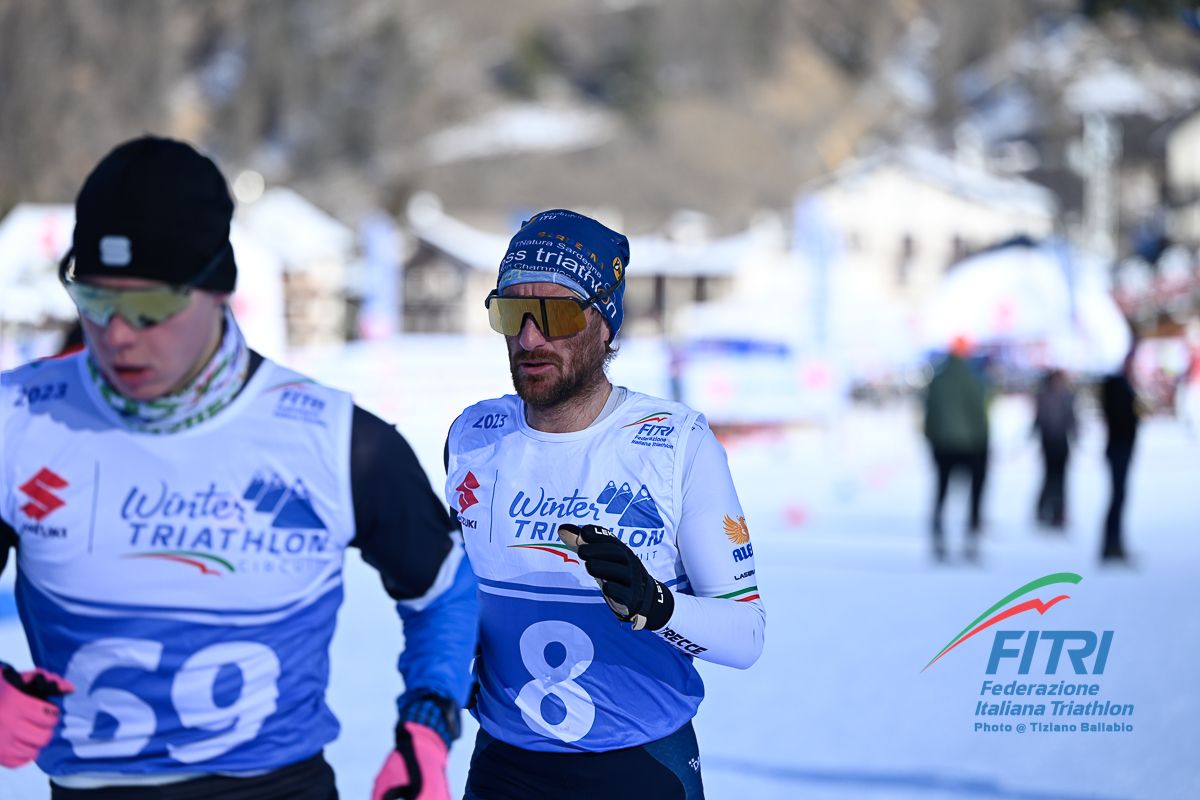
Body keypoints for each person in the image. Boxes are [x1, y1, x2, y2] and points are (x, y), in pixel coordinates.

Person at [0, 136, 478, 799]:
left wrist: (425, 731)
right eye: (97, 301)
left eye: (150, 307)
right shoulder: (19, 422)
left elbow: (443, 591)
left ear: (218, 288)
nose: (117, 335)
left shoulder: (336, 440)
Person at [444, 209, 765, 799]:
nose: (530, 338)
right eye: (512, 313)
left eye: (559, 314)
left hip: (638, 766)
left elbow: (746, 636)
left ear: (606, 325)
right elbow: (458, 594)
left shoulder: (676, 443)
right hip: (504, 765)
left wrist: (657, 605)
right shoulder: (473, 437)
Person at [923, 336, 990, 562]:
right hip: (972, 444)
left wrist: (932, 438)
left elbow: (930, 414)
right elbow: (979, 413)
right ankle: (972, 535)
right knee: (975, 492)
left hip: (943, 445)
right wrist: (983, 440)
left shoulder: (938, 379)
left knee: (942, 490)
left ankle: (938, 532)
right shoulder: (975, 378)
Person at [1099, 349, 1140, 562]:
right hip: (1118, 449)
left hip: (1121, 448)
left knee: (1119, 497)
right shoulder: (1116, 387)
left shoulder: (1119, 386)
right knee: (1117, 497)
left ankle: (1114, 543)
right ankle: (1111, 544)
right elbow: (1121, 419)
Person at [1032, 369, 1077, 529]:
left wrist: (1076, 435)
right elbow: (1039, 419)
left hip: (1061, 442)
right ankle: (1043, 510)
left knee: (1061, 479)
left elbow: (1071, 418)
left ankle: (1059, 513)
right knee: (1049, 478)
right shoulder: (1043, 397)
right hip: (1048, 442)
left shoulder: (1067, 397)